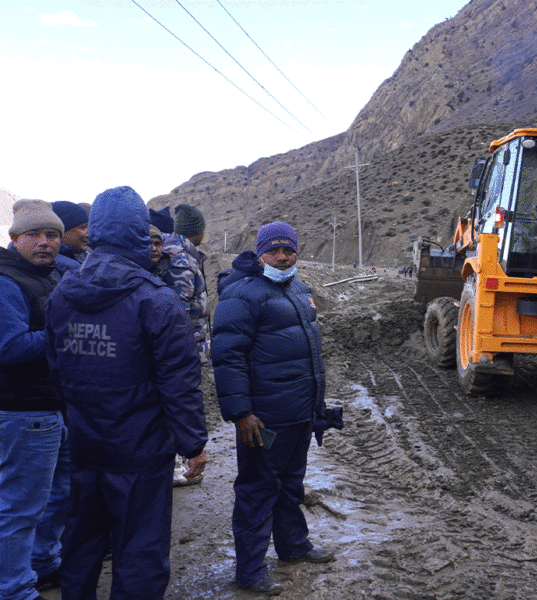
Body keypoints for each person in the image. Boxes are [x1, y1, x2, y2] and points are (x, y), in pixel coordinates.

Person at [44, 186, 208, 600]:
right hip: (140, 453)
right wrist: (193, 444)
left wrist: (76, 422)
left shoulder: (63, 293)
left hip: (84, 447)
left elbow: (56, 370)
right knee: (140, 552)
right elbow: (179, 381)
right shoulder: (155, 300)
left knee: (81, 545)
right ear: (140, 231)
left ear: (94, 230)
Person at [213, 221, 340, 596]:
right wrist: (241, 413)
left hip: (298, 414)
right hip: (263, 419)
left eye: (289, 250)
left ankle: (293, 547)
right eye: (275, 250)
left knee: (290, 485)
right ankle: (250, 571)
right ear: (260, 252)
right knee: (257, 491)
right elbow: (228, 357)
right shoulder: (243, 294)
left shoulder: (299, 290)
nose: (283, 257)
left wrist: (316, 407)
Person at [0, 200, 71, 600]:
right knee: (20, 507)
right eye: (35, 235)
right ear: (15, 238)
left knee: (59, 494)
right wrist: (67, 333)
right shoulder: (7, 281)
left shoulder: (46, 276)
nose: (45, 243)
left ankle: (44, 564)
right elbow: (7, 346)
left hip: (52, 407)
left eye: (52, 235)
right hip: (23, 411)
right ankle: (13, 589)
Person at [161, 203, 210, 486]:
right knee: (178, 404)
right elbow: (176, 312)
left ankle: (180, 458)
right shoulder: (181, 259)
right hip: (183, 349)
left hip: (185, 348)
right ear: (197, 231)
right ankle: (176, 465)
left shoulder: (178, 252)